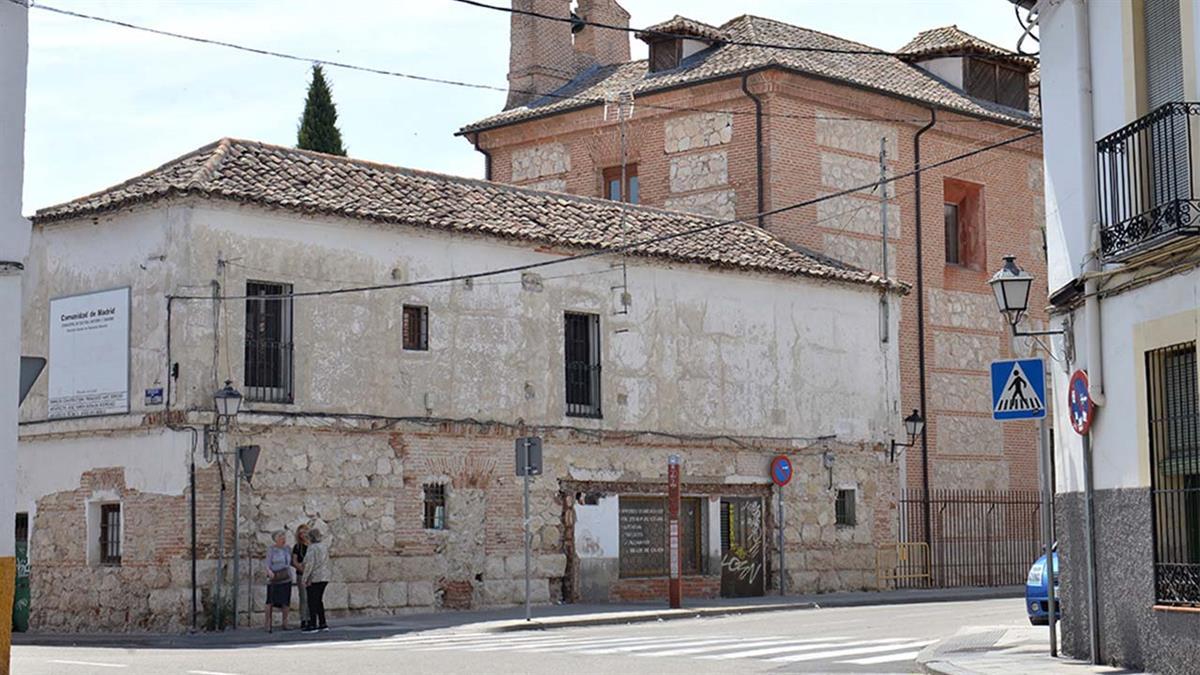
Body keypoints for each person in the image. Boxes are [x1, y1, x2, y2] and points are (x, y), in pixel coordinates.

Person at [302, 528, 331, 633]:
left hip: (314, 577)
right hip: (324, 576)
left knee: (312, 601)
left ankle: (313, 623)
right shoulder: (324, 547)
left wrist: (305, 578)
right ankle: (322, 623)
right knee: (319, 601)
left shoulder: (312, 548)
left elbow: (310, 564)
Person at [264, 530, 293, 633]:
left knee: (286, 601)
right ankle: (268, 623)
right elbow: (267, 564)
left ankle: (285, 623)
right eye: (280, 537)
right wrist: (269, 572)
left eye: (284, 537)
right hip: (274, 578)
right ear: (275, 539)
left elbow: (291, 562)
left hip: (286, 577)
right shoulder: (271, 550)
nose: (283, 539)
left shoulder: (288, 549)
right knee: (270, 602)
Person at [292, 524, 311, 630]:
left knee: (312, 597)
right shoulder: (297, 547)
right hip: (302, 575)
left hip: (312, 575)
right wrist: (303, 571)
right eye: (301, 533)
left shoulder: (312, 546)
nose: (303, 535)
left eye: (305, 532)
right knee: (304, 597)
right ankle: (304, 619)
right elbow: (294, 561)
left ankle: (311, 618)